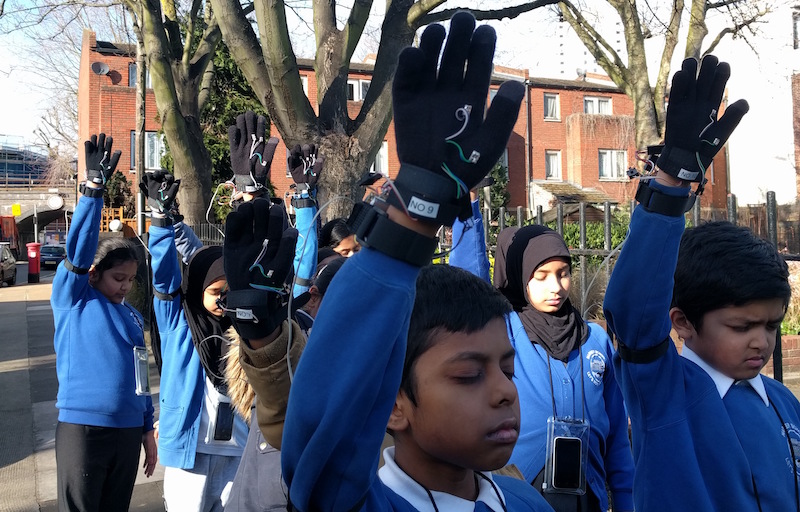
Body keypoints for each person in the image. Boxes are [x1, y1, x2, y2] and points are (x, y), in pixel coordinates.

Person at [217, 11, 551, 510]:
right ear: (393, 403)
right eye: (468, 375)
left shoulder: (528, 503)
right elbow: (318, 427)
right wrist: (411, 215)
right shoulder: (356, 501)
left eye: (507, 368)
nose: (505, 392)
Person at [603, 56, 800, 511]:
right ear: (683, 321)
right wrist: (672, 182)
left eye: (771, 326)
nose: (761, 342)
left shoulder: (784, 404)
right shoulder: (665, 393)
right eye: (740, 326)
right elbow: (632, 310)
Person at [450, 207, 634, 511]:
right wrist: (466, 204)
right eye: (542, 276)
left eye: (563, 274)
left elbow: (617, 437)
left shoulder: (596, 340)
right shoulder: (503, 331)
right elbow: (466, 282)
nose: (556, 287)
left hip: (588, 497)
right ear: (521, 278)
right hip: (518, 491)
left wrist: (626, 499)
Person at [52, 133, 157, 511]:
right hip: (83, 428)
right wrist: (93, 191)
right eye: (118, 279)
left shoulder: (130, 315)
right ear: (94, 273)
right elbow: (78, 252)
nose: (125, 287)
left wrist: (147, 429)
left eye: (131, 280)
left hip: (128, 429)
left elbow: (141, 376)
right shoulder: (74, 298)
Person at [143, 171, 249, 512]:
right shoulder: (178, 322)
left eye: (230, 293)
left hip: (237, 448)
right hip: (191, 450)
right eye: (216, 293)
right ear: (197, 287)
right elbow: (164, 278)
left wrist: (254, 193)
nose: (224, 300)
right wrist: (161, 222)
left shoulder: (244, 326)